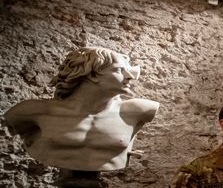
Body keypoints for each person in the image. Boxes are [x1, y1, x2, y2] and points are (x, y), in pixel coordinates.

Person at [5, 46, 159, 171]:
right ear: (92, 75)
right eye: (119, 70)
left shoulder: (138, 111)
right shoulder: (33, 111)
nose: (130, 77)